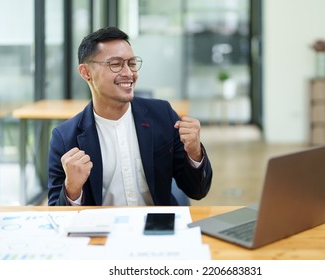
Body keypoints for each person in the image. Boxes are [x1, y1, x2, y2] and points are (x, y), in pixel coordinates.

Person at [47, 27, 213, 206]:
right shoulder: (65, 138)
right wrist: (72, 188)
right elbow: (58, 212)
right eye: (116, 64)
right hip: (103, 230)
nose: (128, 73)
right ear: (86, 72)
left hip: (157, 227)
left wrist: (195, 153)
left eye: (132, 64)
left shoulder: (162, 115)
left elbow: (197, 191)